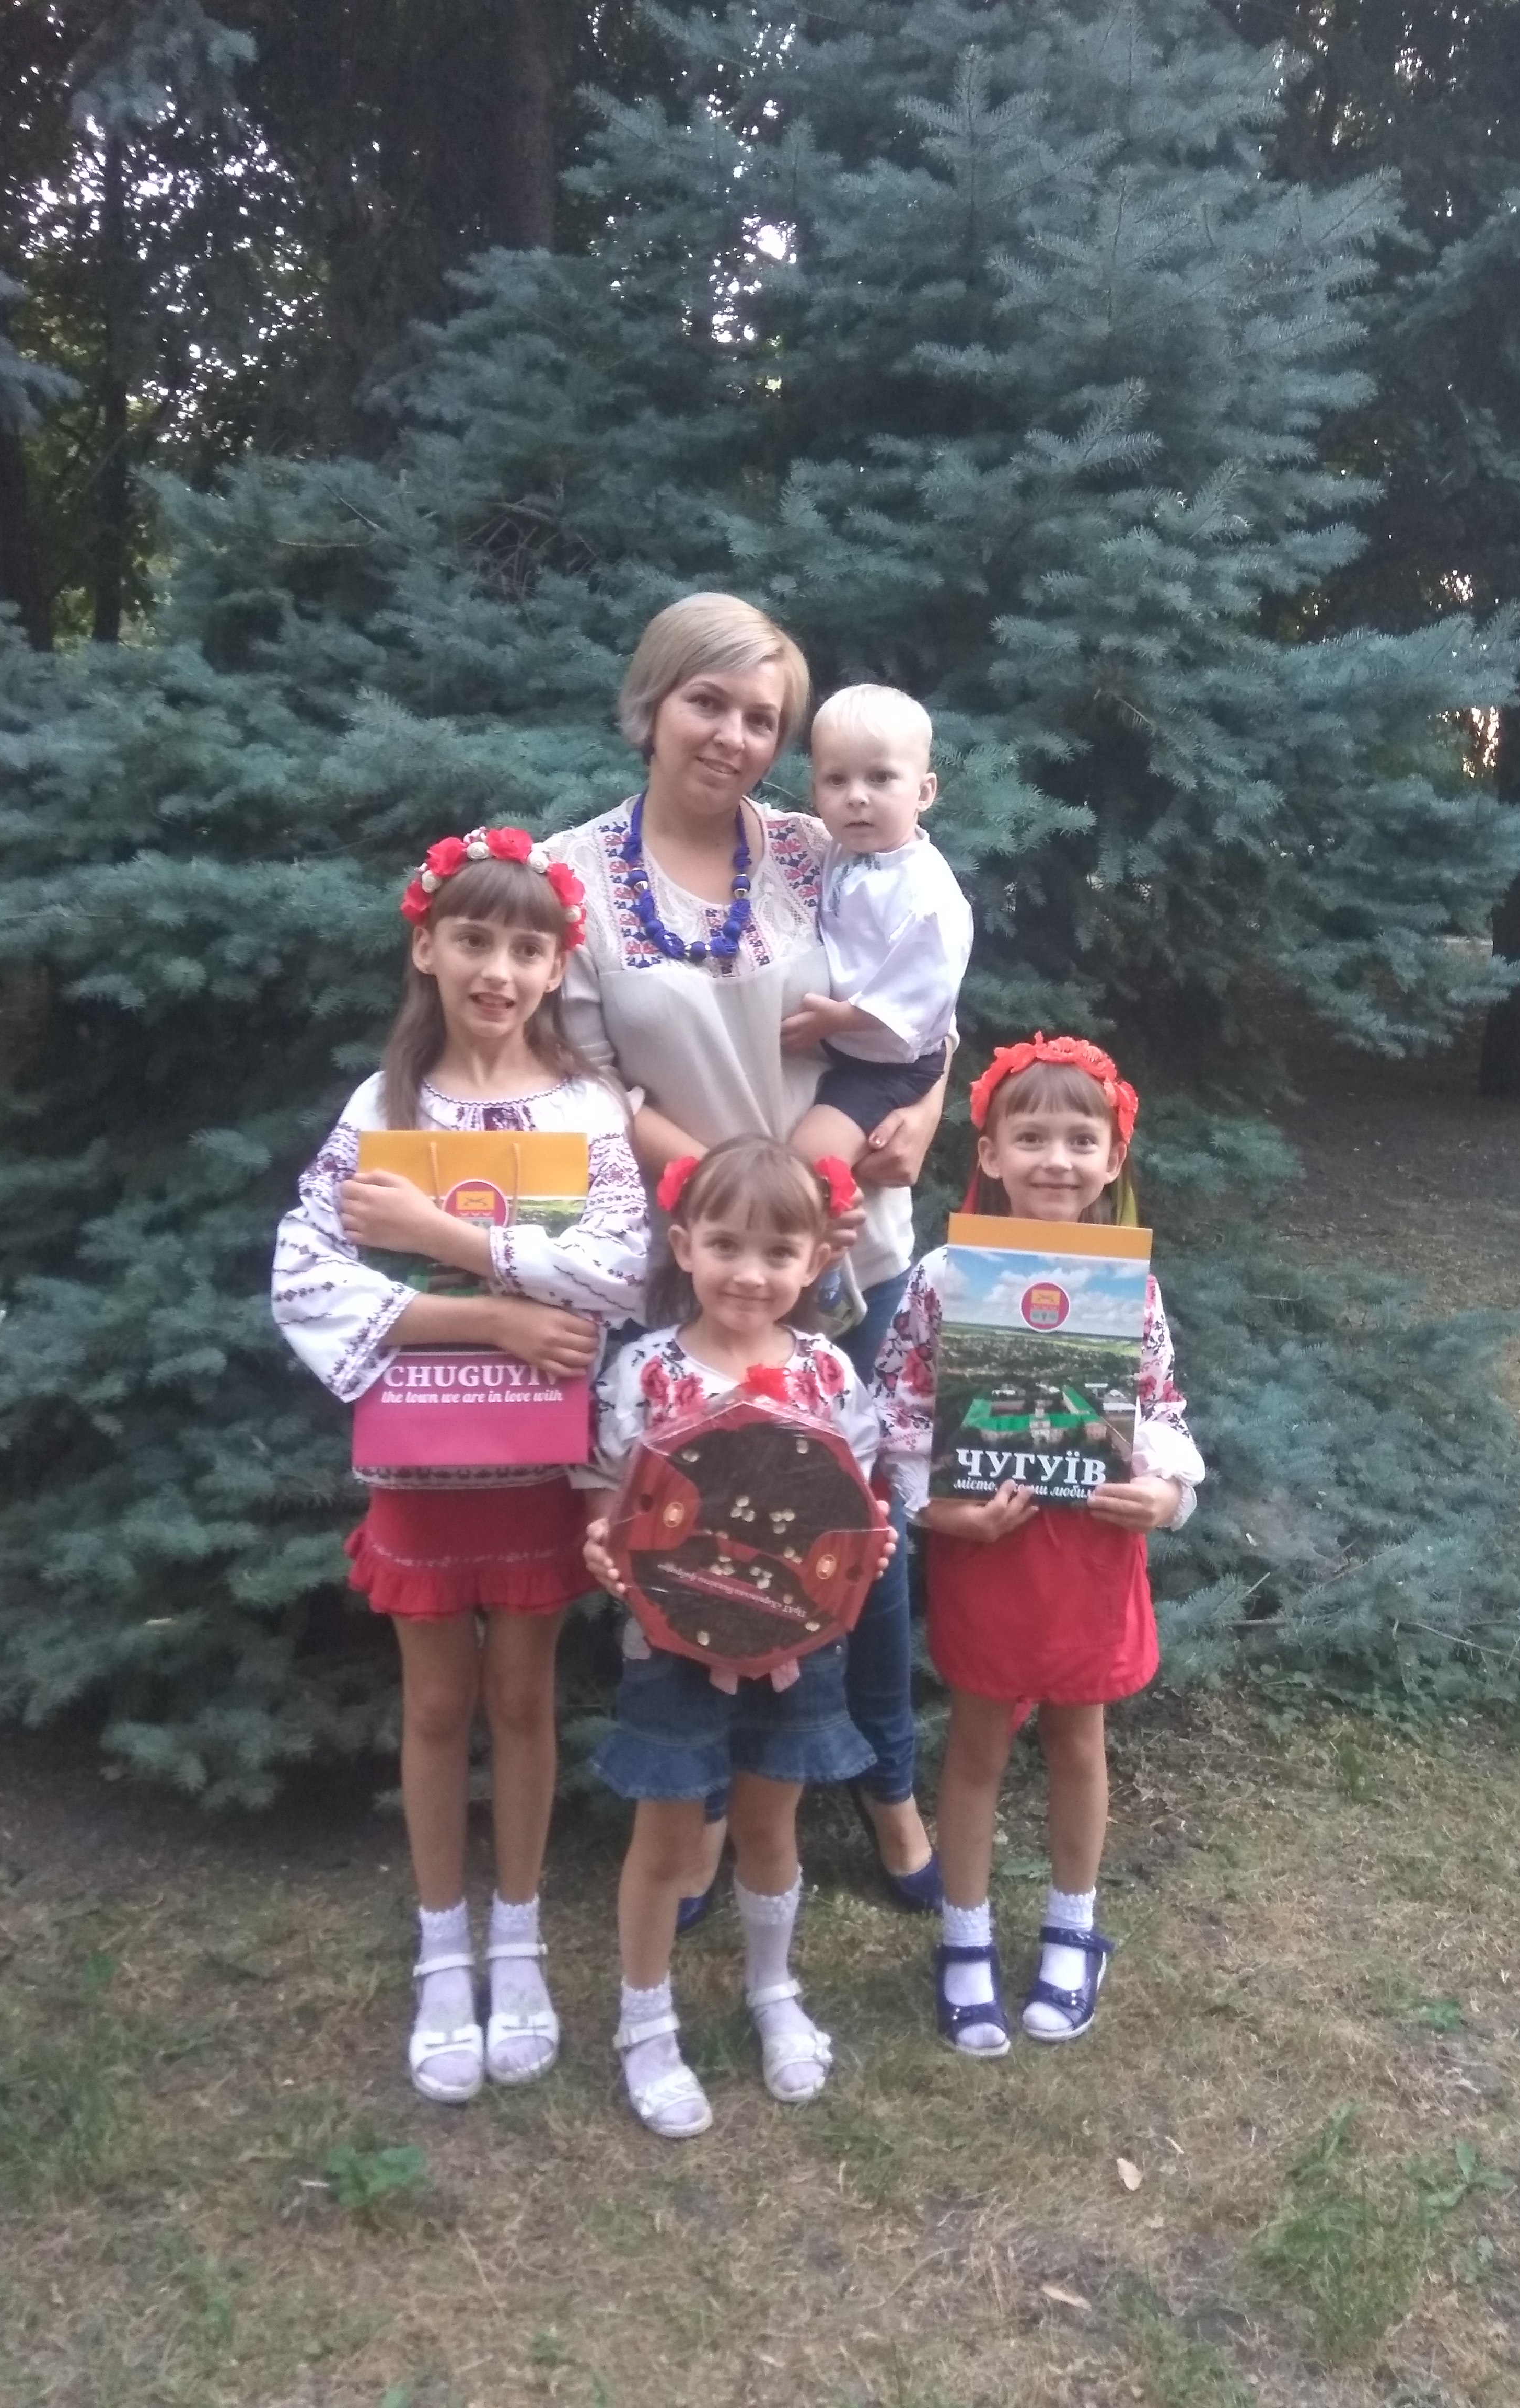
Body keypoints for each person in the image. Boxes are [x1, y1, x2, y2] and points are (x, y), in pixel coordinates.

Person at [548, 595, 942, 1909]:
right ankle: (703, 1811)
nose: (733, 736)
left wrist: (922, 1111)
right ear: (651, 703)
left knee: (862, 1531)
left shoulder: (819, 844)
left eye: (762, 717)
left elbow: (918, 997)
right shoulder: (573, 875)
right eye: (706, 703)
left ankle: (888, 1788)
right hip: (696, 1267)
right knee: (698, 1532)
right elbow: (583, 1085)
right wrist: (742, 1202)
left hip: (850, 1253)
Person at [272, 826, 647, 2104]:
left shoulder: (586, 1111)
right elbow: (305, 1273)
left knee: (525, 1699)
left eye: (527, 948)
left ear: (557, 968)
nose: (500, 969)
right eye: (475, 940)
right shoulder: (381, 1110)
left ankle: (520, 1936)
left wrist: (449, 1239)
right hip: (423, 1462)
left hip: (538, 1466)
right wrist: (485, 1317)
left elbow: (620, 1273)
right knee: (436, 1705)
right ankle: (444, 1947)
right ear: (426, 948)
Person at [872, 1034, 1205, 2055]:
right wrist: (937, 1510)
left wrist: (1165, 1493)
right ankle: (964, 1939)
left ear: (1112, 1159)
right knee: (976, 1744)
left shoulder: (1129, 1288)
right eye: (1031, 1138)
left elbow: (1161, 1408)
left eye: (1079, 1139)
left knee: (1077, 1740)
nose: (1055, 1158)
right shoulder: (944, 1278)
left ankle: (1072, 1928)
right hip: (989, 1544)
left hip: (1091, 1551)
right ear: (991, 1153)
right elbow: (896, 1409)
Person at [582, 1137, 891, 2138]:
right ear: (683, 1245)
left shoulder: (828, 1372)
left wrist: (868, 1551)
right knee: (668, 1837)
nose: (749, 1273)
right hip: (670, 1649)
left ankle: (773, 1989)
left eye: (777, 1251)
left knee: (769, 1823)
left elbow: (854, 1509)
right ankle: (643, 2022)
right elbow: (607, 1499)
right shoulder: (646, 1371)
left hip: (797, 1648)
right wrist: (603, 1546)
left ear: (815, 1261)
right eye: (725, 1245)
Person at [785, 683, 972, 1176]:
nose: (856, 798)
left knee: (809, 1158)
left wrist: (839, 1019)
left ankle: (829, 1219)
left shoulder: (927, 896)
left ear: (924, 792)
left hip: (887, 1063)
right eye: (836, 780)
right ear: (815, 792)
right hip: (846, 1048)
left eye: (881, 778)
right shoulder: (839, 848)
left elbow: (924, 991)